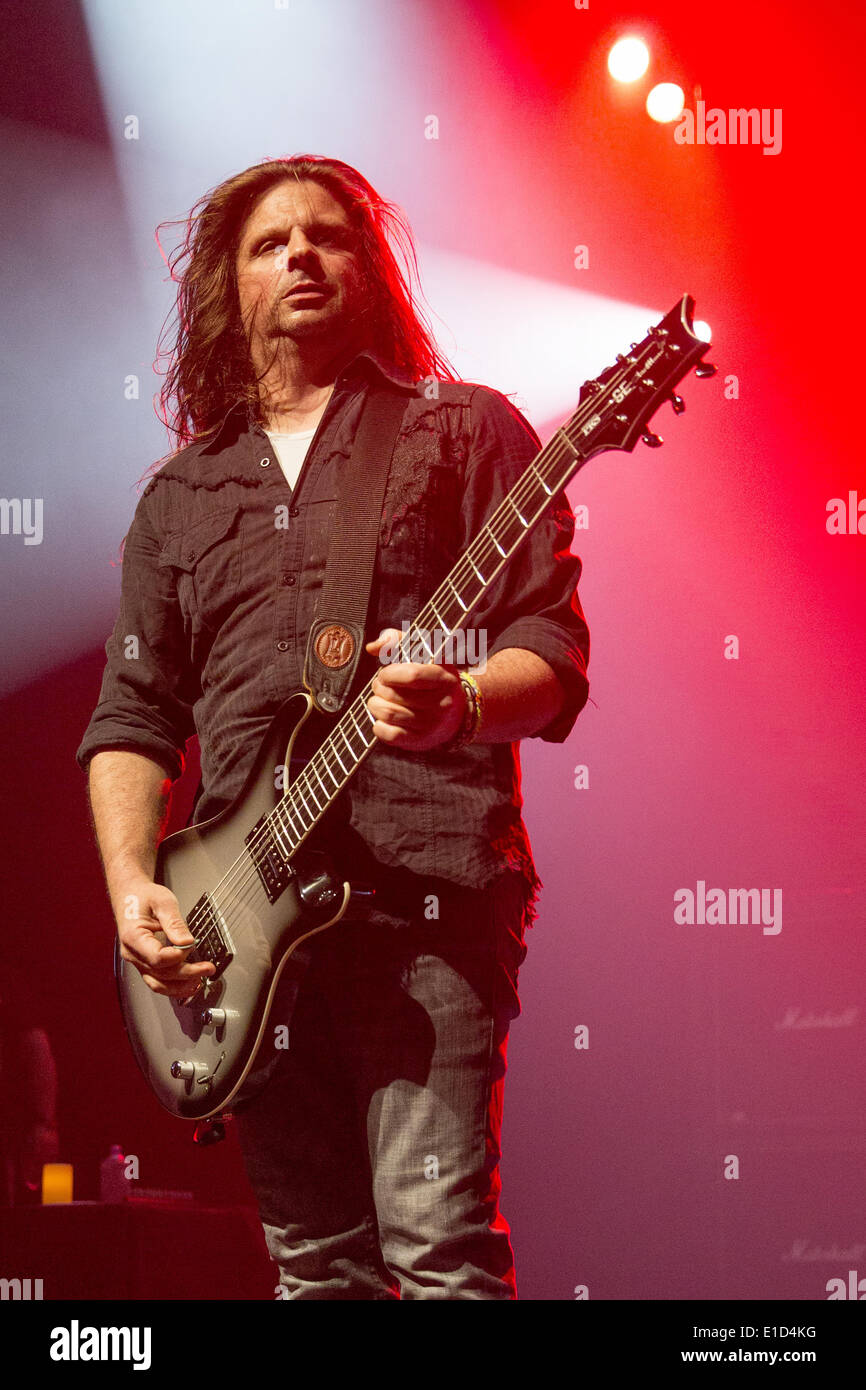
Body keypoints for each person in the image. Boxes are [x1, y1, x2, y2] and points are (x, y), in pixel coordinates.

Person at [76, 155, 590, 1299]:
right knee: (314, 1273)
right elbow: (132, 715)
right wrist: (128, 891)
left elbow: (549, 655)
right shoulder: (182, 494)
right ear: (230, 290)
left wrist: (456, 698)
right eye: (269, 243)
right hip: (240, 936)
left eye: (328, 237)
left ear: (370, 271)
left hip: (422, 892)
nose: (300, 255)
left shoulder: (461, 431)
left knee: (437, 1256)